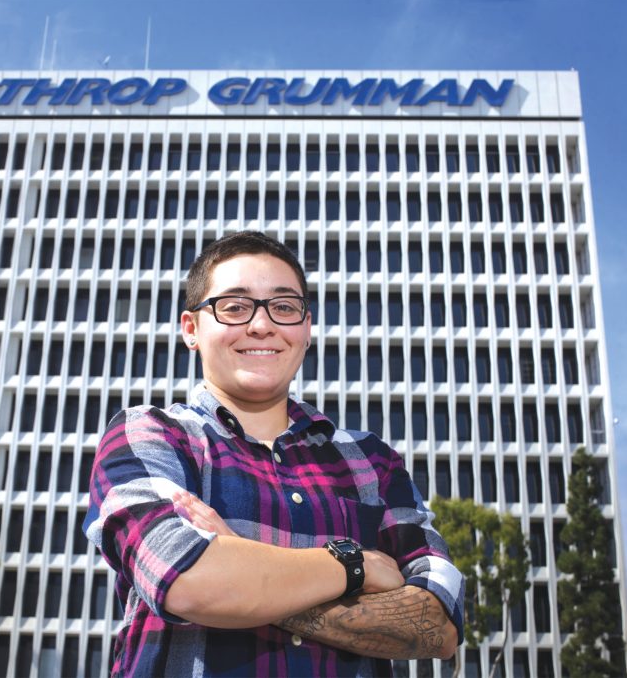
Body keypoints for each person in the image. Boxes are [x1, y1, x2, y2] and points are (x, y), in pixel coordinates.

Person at [84, 231, 464, 676]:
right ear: (192, 329)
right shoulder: (151, 435)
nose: (262, 325)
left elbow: (438, 623)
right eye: (234, 307)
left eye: (284, 307)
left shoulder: (371, 461)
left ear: (305, 329)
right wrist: (356, 564)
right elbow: (188, 584)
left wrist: (238, 559)